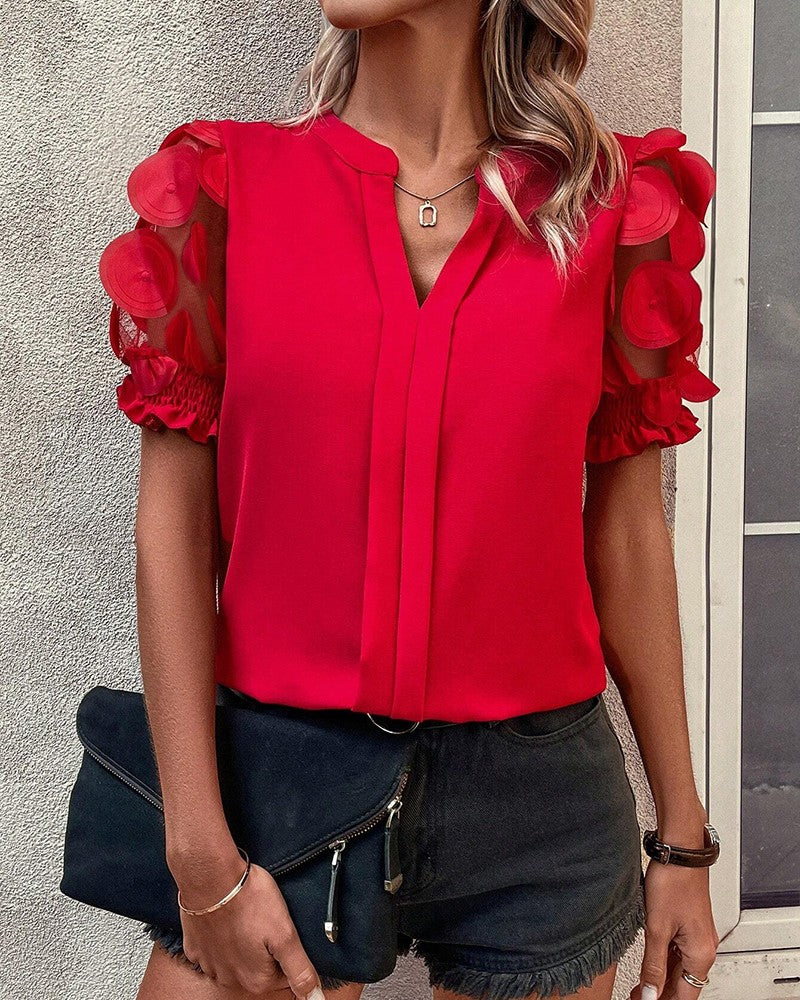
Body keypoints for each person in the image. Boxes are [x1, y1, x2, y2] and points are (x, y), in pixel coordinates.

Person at [97, 2, 722, 999]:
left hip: (539, 806)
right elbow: (172, 531)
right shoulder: (225, 190)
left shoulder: (607, 209)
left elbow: (629, 537)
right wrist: (198, 850)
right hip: (274, 781)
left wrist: (681, 839)